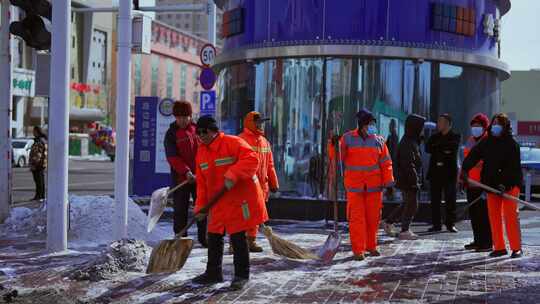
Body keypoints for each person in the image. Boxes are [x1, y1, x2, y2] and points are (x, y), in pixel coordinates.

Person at [192, 115, 268, 290]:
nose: (201, 136)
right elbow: (202, 185)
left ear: (214, 130)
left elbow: (252, 159)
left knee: (237, 237)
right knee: (213, 236)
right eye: (198, 133)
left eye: (204, 131)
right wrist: (200, 207)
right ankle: (213, 272)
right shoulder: (201, 152)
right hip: (217, 201)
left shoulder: (232, 143)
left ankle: (241, 275)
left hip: (237, 199)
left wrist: (233, 174)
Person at [461, 113, 523, 258]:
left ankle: (516, 247)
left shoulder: (512, 144)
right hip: (491, 185)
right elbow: (473, 155)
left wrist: (505, 184)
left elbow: (513, 168)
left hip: (510, 186)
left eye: (499, 123)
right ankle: (499, 247)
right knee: (494, 216)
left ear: (505, 126)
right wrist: (465, 169)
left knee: (510, 216)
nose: (495, 126)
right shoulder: (486, 142)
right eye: (494, 123)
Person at [338, 109, 394, 260]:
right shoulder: (347, 139)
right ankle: (358, 250)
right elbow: (338, 158)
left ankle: (372, 246)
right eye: (369, 123)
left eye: (372, 124)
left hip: (374, 187)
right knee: (357, 219)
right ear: (362, 124)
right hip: (355, 187)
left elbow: (386, 163)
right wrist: (333, 145)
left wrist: (389, 184)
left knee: (373, 218)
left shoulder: (379, 141)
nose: (372, 126)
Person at [164, 101, 207, 247]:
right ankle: (181, 239)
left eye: (185, 117)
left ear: (190, 116)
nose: (182, 120)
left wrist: (201, 171)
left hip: (200, 178)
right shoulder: (171, 134)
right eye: (179, 117)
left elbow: (206, 151)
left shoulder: (198, 130)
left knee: (202, 208)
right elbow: (172, 157)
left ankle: (204, 238)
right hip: (181, 179)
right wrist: (186, 171)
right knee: (180, 211)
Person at [238, 111, 279, 252]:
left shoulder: (265, 142)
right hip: (245, 186)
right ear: (250, 123)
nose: (261, 125)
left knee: (255, 216)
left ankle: (250, 241)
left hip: (261, 186)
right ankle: (236, 243)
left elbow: (270, 165)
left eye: (262, 122)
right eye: (258, 122)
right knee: (243, 215)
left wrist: (274, 183)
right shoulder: (241, 140)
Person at [383, 114, 426, 240]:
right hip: (408, 180)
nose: (422, 130)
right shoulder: (408, 142)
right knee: (412, 205)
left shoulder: (412, 140)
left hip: (409, 179)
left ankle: (389, 222)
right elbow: (408, 164)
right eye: (421, 127)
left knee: (407, 203)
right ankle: (404, 230)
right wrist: (415, 181)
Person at [461, 113, 492, 252]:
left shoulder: (488, 141)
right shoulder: (470, 141)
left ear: (485, 127)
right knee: (474, 215)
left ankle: (486, 242)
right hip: (470, 183)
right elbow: (465, 162)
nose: (475, 128)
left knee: (484, 215)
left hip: (482, 184)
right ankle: (478, 240)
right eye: (473, 126)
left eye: (478, 126)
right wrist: (462, 178)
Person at [426, 113, 461, 233]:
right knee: (435, 200)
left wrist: (439, 147)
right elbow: (428, 148)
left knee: (450, 199)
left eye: (441, 121)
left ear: (448, 124)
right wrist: (443, 148)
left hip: (449, 173)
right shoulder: (434, 137)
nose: (438, 124)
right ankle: (436, 224)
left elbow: (452, 149)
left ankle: (450, 224)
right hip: (435, 173)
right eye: (438, 121)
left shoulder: (455, 136)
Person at [29, 126, 47, 201]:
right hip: (40, 164)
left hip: (38, 164)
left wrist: (34, 164)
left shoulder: (39, 141)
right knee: (40, 181)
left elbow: (38, 154)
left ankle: (39, 196)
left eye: (34, 131)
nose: (33, 132)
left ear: (37, 132)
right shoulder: (41, 140)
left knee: (38, 181)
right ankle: (40, 195)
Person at [385, 119, 399, 200]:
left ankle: (390, 193)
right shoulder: (392, 136)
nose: (389, 127)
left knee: (390, 177)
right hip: (391, 161)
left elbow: (393, 150)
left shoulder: (393, 136)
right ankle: (390, 192)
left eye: (390, 125)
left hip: (391, 161)